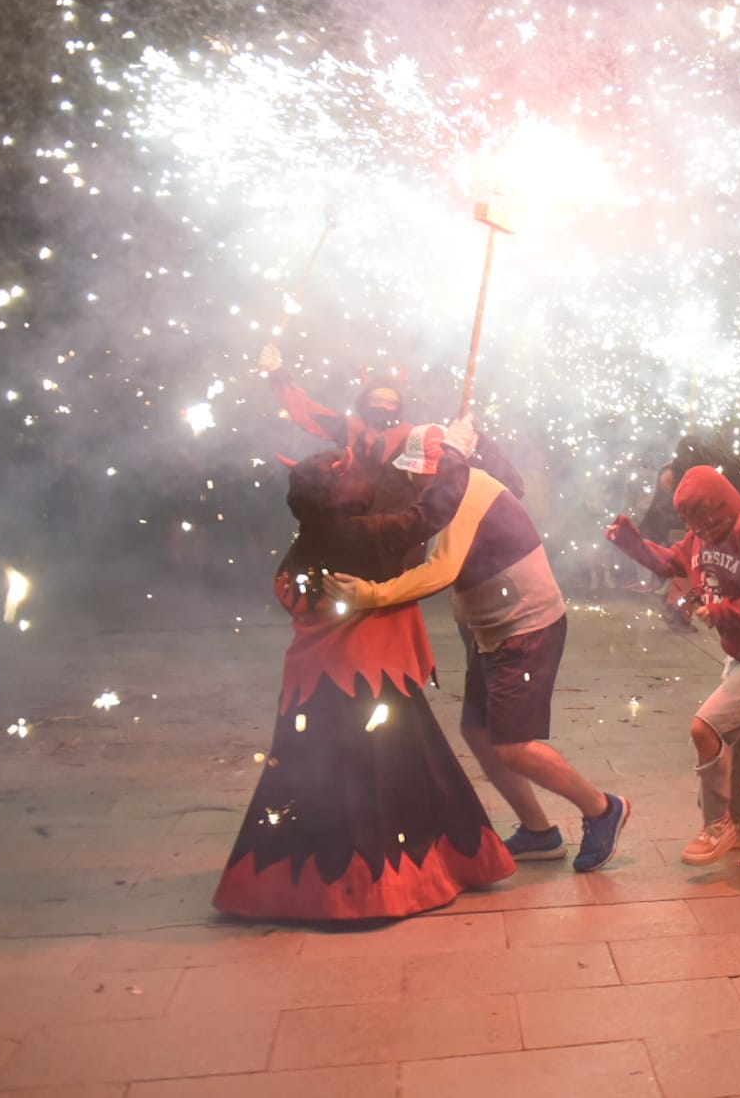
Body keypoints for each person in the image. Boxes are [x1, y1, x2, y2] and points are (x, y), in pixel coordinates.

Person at [214, 449, 515, 919]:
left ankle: (295, 887)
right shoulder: (356, 536)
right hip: (367, 680)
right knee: (374, 779)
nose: (363, 476)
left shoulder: (313, 537)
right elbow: (427, 516)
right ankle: (372, 889)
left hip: (313, 685)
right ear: (334, 493)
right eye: (351, 474)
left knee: (312, 780)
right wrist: (457, 465)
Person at [325, 425, 632, 874]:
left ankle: (603, 809)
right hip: (490, 630)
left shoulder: (470, 492)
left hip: (526, 628)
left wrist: (371, 594)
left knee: (512, 746)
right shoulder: (445, 493)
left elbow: (441, 570)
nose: (415, 483)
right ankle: (538, 832)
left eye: (422, 474)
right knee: (479, 733)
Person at [607, 466, 740, 865]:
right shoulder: (700, 535)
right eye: (687, 519)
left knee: (707, 728)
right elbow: (673, 563)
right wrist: (634, 545)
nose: (694, 526)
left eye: (699, 517)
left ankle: (717, 824)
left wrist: (724, 611)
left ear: (719, 506)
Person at [259, 341, 412, 471]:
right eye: (377, 400)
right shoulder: (350, 426)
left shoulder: (411, 434)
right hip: (351, 501)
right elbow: (305, 411)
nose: (382, 407)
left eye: (389, 402)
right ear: (366, 403)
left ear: (398, 407)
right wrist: (277, 373)